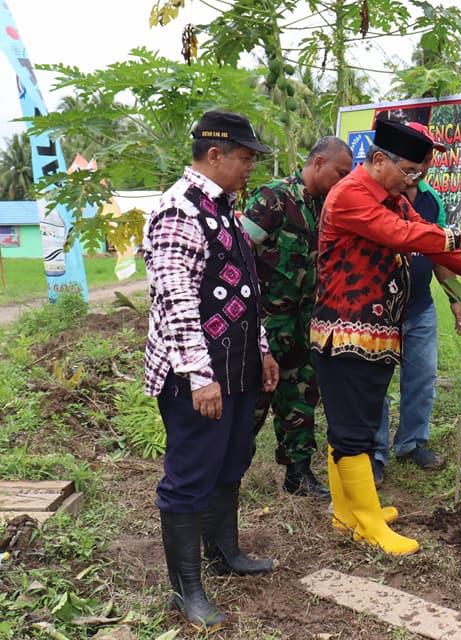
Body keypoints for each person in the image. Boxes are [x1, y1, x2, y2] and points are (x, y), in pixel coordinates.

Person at [310, 117, 461, 556]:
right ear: (380, 158)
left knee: (355, 425)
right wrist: (458, 235)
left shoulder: (392, 197)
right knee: (353, 432)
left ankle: (346, 513)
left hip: (374, 333)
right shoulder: (350, 194)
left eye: (419, 175)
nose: (413, 182)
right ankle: (367, 523)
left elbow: (429, 247)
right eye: (409, 172)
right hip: (345, 331)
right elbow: (401, 235)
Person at [143, 109, 280, 630]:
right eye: (245, 158)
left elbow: (244, 287)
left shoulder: (221, 206)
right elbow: (175, 301)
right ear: (215, 154)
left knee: (231, 460)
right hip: (196, 373)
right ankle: (186, 590)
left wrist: (262, 349)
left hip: (238, 365)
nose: (250, 167)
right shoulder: (179, 210)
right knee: (190, 475)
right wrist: (201, 377)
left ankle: (225, 553)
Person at [240, 137, 353, 498]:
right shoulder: (273, 198)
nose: (344, 180)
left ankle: (298, 475)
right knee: (251, 402)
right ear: (318, 163)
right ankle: (225, 475)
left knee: (302, 397)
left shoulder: (328, 207)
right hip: (264, 327)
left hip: (305, 325)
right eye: (340, 172)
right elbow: (238, 255)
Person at [373, 122, 461, 484]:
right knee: (376, 382)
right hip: (379, 310)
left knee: (422, 379)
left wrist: (456, 299)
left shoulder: (430, 200)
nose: (426, 165)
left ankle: (411, 443)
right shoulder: (375, 195)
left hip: (420, 306)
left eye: (428, 159)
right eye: (421, 157)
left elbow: (441, 252)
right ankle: (374, 452)